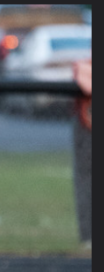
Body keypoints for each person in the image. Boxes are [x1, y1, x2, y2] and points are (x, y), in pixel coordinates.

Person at [72, 59, 91, 249]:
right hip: (86, 130)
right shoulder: (84, 67)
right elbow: (86, 84)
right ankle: (88, 235)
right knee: (85, 178)